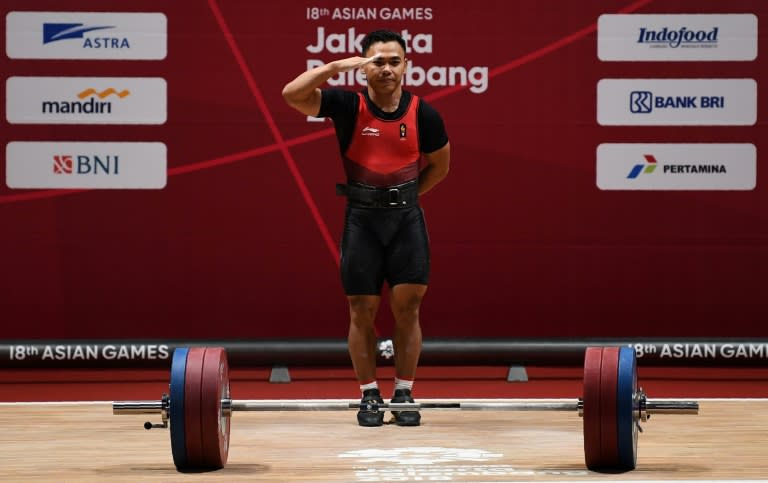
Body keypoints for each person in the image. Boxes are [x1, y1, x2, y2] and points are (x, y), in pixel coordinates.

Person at [282, 29, 450, 427]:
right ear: (363, 67)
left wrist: (406, 198)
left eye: (394, 61)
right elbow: (292, 94)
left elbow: (440, 167)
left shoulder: (424, 113)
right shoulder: (346, 105)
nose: (386, 69)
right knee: (362, 310)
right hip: (361, 222)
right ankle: (369, 394)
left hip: (406, 222)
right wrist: (337, 67)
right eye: (377, 61)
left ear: (406, 65)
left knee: (407, 309)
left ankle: (404, 392)